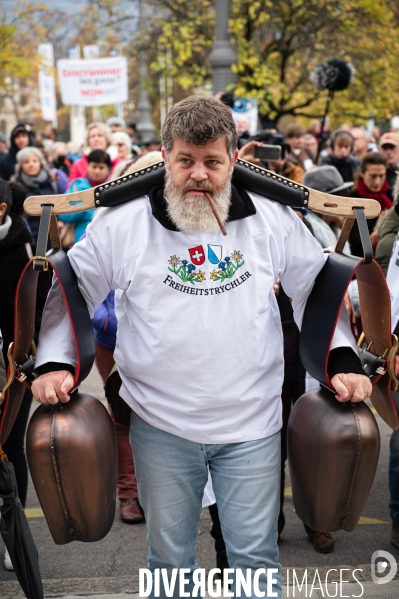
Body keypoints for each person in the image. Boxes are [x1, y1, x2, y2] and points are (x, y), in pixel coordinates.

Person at [31, 96, 371, 599]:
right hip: (161, 421)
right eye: (185, 160)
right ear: (164, 155)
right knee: (169, 561)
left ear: (233, 159)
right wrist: (57, 363)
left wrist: (340, 359)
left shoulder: (272, 216)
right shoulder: (122, 222)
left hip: (252, 421)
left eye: (212, 162)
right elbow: (73, 286)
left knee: (255, 559)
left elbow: (315, 286)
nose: (199, 175)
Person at [0, 180, 35, 571]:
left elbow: (41, 304)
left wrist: (27, 356)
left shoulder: (26, 246)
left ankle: (15, 537)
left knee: (10, 447)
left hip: (14, 363)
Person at [58, 149, 112, 247]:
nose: (97, 171)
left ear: (108, 169)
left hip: (106, 242)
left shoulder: (113, 188)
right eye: (94, 167)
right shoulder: (76, 186)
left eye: (101, 167)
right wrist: (85, 207)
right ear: (88, 166)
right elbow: (64, 215)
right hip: (78, 242)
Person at [13, 146, 61, 244]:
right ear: (21, 165)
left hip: (51, 238)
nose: (31, 165)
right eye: (26, 162)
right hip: (26, 238)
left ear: (41, 163)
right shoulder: (15, 187)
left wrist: (60, 221)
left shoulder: (52, 182)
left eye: (35, 161)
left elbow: (59, 204)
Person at [349, 152, 393, 257]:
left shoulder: (391, 195)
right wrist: (369, 241)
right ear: (362, 173)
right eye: (373, 176)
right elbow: (351, 239)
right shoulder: (353, 198)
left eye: (381, 176)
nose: (377, 182)